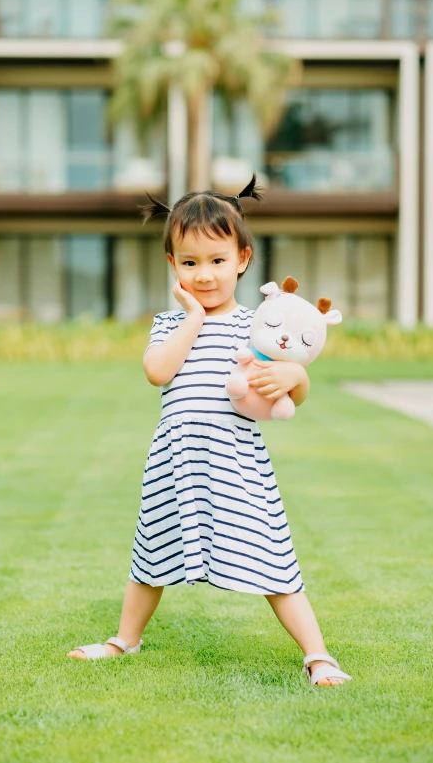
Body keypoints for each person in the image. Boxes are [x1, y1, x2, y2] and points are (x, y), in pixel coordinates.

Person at [68, 176, 351, 687]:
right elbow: (158, 371)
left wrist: (297, 377)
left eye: (217, 261)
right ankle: (124, 639)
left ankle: (318, 655)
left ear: (242, 259)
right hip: (174, 465)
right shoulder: (168, 325)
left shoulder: (259, 325)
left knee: (273, 561)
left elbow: (288, 391)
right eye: (190, 262)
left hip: (236, 466)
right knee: (150, 555)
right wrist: (193, 318)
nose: (204, 275)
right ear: (173, 265)